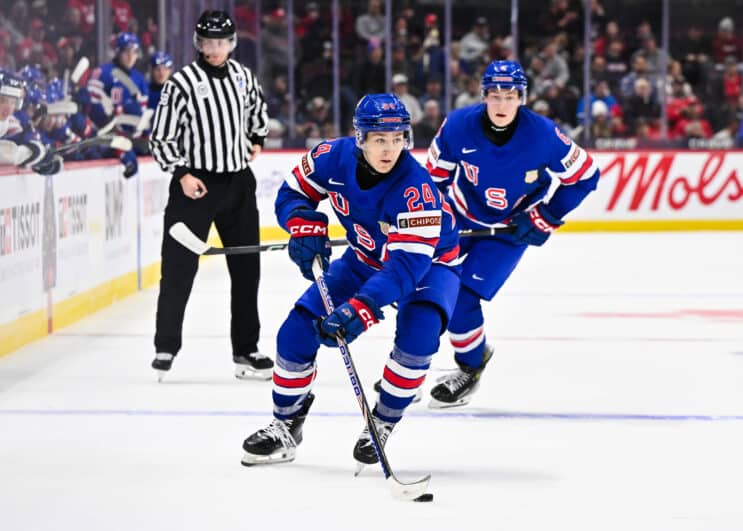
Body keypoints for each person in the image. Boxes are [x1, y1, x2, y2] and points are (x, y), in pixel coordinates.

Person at [240, 93, 461, 468]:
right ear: (360, 137)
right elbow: (293, 192)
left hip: (430, 265)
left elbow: (406, 267)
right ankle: (286, 424)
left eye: (397, 138)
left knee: (418, 339)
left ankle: (384, 420)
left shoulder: (417, 189)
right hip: (363, 258)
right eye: (379, 139)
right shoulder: (331, 157)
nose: (390, 149)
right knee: (295, 332)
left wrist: (362, 308)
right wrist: (302, 224)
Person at [423, 60, 600, 408]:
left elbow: (587, 175)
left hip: (510, 229)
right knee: (420, 283)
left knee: (461, 300)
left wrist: (546, 215)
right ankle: (410, 364)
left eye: (510, 96)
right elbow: (433, 179)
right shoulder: (458, 125)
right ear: (484, 95)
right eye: (495, 95)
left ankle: (471, 367)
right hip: (459, 215)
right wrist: (433, 219)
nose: (501, 104)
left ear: (522, 97)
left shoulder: (544, 135)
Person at [148, 10, 271, 382]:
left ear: (232, 44)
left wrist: (256, 138)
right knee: (178, 268)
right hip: (195, 186)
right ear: (198, 44)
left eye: (221, 43)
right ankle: (166, 345)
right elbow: (161, 137)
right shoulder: (181, 83)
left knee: (247, 270)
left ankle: (246, 350)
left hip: (237, 185)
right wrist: (182, 173)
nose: (215, 49)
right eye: (208, 43)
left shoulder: (242, 76)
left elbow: (258, 112)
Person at [87, 32, 148, 178]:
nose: (130, 56)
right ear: (118, 51)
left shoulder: (139, 79)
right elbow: (91, 106)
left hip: (131, 135)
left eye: (134, 52)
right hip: (105, 133)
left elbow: (142, 114)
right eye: (127, 51)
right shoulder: (103, 73)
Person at [0, 69, 62, 175]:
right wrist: (30, 153)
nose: (9, 108)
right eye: (2, 100)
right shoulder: (10, 121)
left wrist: (38, 157)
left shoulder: (4, 122)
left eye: (14, 102)